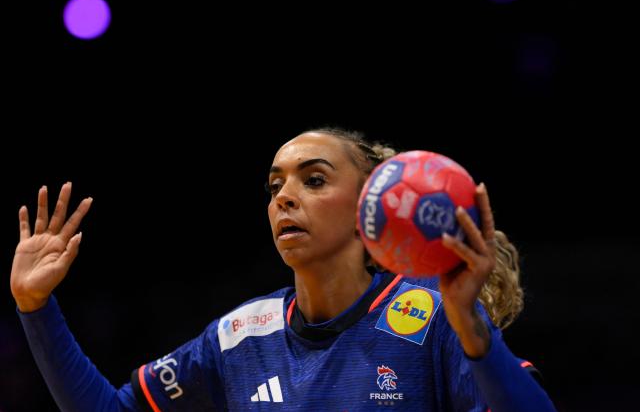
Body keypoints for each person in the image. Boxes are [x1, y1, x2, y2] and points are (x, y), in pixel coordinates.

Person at [11, 127, 556, 411]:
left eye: (313, 181)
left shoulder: (434, 318)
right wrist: (36, 309)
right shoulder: (239, 337)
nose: (284, 199)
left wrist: (475, 332)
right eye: (275, 187)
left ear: (372, 205)